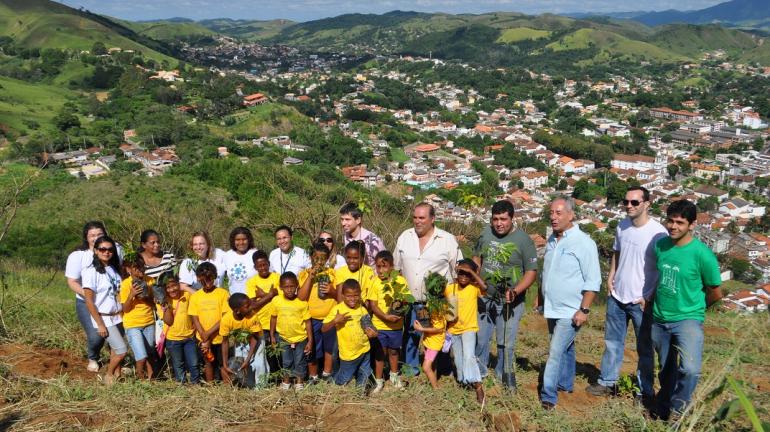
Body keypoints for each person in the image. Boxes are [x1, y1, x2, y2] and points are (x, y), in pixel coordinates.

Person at [587, 187, 667, 403]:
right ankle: (607, 381)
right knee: (612, 342)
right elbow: (617, 252)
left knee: (645, 348)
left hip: (641, 300)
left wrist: (649, 296)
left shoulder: (658, 233)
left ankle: (645, 391)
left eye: (634, 202)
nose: (629, 206)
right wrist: (611, 276)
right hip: (618, 296)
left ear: (647, 204)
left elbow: (663, 267)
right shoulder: (622, 226)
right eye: (626, 202)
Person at [651, 199, 722, 420]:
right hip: (659, 317)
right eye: (670, 221)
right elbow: (659, 278)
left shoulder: (702, 254)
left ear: (692, 225)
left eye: (680, 222)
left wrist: (697, 309)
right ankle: (664, 404)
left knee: (690, 368)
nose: (673, 226)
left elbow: (715, 291)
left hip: (688, 319)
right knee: (666, 369)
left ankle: (679, 409)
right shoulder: (660, 246)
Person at [539, 196, 600, 410]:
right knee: (566, 347)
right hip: (552, 306)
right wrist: (541, 298)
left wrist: (584, 309)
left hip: (571, 309)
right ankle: (565, 385)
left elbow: (593, 279)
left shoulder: (584, 243)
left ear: (571, 215)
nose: (553, 217)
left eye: (558, 213)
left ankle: (548, 396)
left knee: (555, 351)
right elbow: (546, 272)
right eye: (551, 213)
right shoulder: (552, 240)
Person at [472, 200, 538, 390]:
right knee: (482, 338)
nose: (499, 223)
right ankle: (480, 373)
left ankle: (504, 375)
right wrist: (476, 278)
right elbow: (477, 255)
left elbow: (531, 272)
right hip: (486, 297)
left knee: (505, 341)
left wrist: (516, 290)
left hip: (511, 301)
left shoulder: (523, 241)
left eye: (503, 219)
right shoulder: (485, 234)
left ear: (512, 218)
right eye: (495, 219)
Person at [394, 203, 463, 375]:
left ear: (432, 219)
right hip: (410, 299)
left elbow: (458, 271)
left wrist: (453, 302)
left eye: (422, 218)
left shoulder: (447, 240)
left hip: (437, 302)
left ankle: (442, 369)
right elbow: (397, 268)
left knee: (439, 336)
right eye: (415, 217)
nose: (417, 221)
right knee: (410, 335)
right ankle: (410, 369)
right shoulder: (405, 236)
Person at [65, 221, 122, 372]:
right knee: (96, 335)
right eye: (92, 235)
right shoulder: (79, 256)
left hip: (112, 303)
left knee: (117, 333)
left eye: (99, 234)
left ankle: (115, 366)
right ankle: (93, 356)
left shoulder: (114, 250)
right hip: (86, 301)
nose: (95, 237)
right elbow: (72, 281)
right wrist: (90, 295)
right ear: (86, 237)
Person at [81, 236, 126, 385]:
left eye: (110, 249)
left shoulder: (113, 269)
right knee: (121, 350)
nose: (106, 252)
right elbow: (89, 300)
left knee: (115, 349)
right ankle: (108, 374)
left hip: (118, 316)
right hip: (104, 318)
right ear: (96, 250)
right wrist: (99, 324)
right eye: (102, 249)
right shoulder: (91, 272)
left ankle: (117, 374)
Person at [322, 279, 378, 388]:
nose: (352, 299)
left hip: (364, 350)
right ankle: (333, 383)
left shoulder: (362, 309)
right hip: (348, 354)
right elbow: (323, 329)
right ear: (342, 295)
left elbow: (370, 327)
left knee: (364, 374)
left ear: (360, 294)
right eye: (349, 296)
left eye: (356, 295)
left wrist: (373, 333)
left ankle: (359, 393)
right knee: (344, 378)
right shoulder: (337, 309)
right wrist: (335, 321)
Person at [445, 259, 487, 403]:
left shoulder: (474, 288)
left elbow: (485, 287)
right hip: (453, 330)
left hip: (469, 328)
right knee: (458, 360)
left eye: (467, 274)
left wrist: (472, 273)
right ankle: (466, 381)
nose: (464, 276)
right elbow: (445, 307)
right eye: (461, 272)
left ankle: (478, 387)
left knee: (468, 356)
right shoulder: (450, 288)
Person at [298, 241, 338, 384]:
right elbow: (301, 297)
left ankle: (327, 373)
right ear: (311, 258)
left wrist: (331, 291)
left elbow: (338, 295)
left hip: (329, 318)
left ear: (327, 259)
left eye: (323, 258)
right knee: (312, 347)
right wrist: (311, 277)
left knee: (329, 347)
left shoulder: (332, 274)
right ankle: (313, 376)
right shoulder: (304, 275)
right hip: (312, 319)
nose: (319, 262)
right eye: (316, 258)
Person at [368, 250, 408, 393]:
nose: (380, 270)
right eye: (378, 267)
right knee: (380, 353)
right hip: (379, 325)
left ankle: (394, 375)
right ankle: (379, 380)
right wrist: (385, 317)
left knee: (394, 351)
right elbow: (373, 305)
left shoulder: (400, 281)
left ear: (392, 267)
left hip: (396, 326)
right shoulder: (375, 282)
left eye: (384, 266)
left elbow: (406, 301)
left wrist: (401, 311)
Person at [270, 272, 313, 390]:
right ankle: (286, 382)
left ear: (297, 286)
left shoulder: (302, 302)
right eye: (286, 287)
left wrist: (310, 341)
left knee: (300, 361)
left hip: (300, 338)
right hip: (283, 337)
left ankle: (299, 382)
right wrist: (272, 335)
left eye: (292, 286)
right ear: (281, 287)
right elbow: (273, 318)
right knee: (286, 361)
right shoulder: (276, 301)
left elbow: (308, 322)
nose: (289, 290)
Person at [188, 262, 230, 382]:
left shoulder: (223, 294)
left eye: (209, 278)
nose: (207, 282)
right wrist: (203, 335)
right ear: (198, 279)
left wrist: (208, 333)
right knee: (208, 362)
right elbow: (194, 317)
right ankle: (210, 386)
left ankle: (227, 387)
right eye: (203, 280)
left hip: (220, 337)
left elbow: (225, 317)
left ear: (215, 276)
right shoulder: (195, 296)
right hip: (203, 338)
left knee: (223, 362)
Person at [119, 253, 158, 380]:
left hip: (148, 322)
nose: (141, 270)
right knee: (141, 356)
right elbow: (125, 309)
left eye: (142, 266)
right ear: (129, 269)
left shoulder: (150, 281)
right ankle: (140, 379)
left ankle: (151, 377)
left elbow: (154, 304)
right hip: (132, 325)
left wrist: (146, 297)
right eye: (137, 267)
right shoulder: (126, 284)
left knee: (150, 352)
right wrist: (132, 295)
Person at [245, 250, 281, 376]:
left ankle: (279, 375)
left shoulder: (277, 277)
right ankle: (270, 377)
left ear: (269, 263)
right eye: (259, 266)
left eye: (265, 264)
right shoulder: (251, 282)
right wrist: (270, 294)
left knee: (278, 351)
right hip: (261, 323)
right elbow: (253, 305)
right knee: (265, 353)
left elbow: (281, 298)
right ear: (255, 267)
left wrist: (262, 296)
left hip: (277, 322)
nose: (263, 268)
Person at [158, 275, 200, 384]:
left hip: (189, 337)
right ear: (164, 289)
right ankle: (182, 384)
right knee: (178, 364)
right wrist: (166, 307)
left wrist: (185, 287)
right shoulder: (162, 301)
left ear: (179, 284)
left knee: (194, 363)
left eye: (174, 285)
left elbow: (200, 297)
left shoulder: (186, 295)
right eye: (168, 287)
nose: (172, 289)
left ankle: (196, 384)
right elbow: (169, 322)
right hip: (173, 340)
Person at [220, 293, 267, 387]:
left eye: (250, 303)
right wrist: (225, 364)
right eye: (247, 306)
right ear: (237, 311)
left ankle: (261, 387)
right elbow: (225, 342)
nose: (251, 307)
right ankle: (247, 385)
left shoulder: (253, 317)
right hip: (241, 341)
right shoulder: (226, 320)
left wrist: (248, 359)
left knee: (259, 363)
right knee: (241, 364)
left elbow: (255, 338)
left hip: (256, 339)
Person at [339, 202, 386, 267]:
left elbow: (385, 264)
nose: (343, 223)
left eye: (347, 219)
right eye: (342, 219)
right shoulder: (346, 236)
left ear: (358, 220)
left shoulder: (373, 241)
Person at [413, 309, 446, 389]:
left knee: (426, 367)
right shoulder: (431, 304)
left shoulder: (440, 309)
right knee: (432, 363)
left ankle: (436, 388)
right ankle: (434, 382)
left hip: (434, 343)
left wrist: (421, 329)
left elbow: (439, 329)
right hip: (429, 340)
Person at [223, 227, 258, 295]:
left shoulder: (256, 254)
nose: (241, 242)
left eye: (244, 239)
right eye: (237, 240)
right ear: (233, 240)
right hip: (234, 300)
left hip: (253, 300)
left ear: (249, 240)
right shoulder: (227, 255)